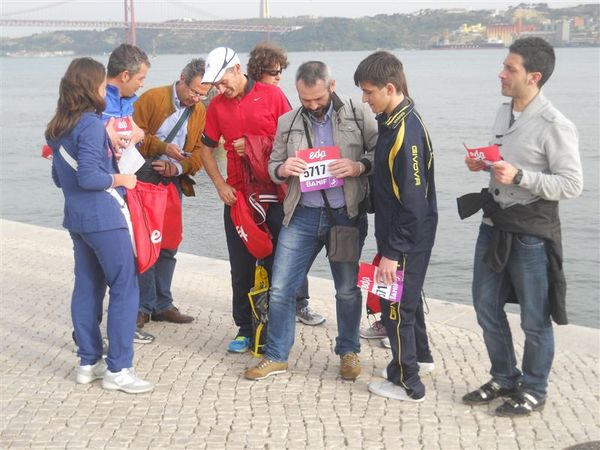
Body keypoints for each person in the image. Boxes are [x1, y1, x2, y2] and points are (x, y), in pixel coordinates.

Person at [460, 37, 583, 417]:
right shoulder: (504, 112)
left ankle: (533, 388)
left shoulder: (556, 125)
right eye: (504, 65)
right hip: (494, 222)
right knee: (484, 306)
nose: (501, 72)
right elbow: (506, 160)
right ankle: (503, 377)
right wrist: (484, 163)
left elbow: (571, 184)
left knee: (534, 317)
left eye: (509, 68)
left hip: (532, 233)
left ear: (534, 76)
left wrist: (521, 176)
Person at [244, 61, 377, 381]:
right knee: (280, 289)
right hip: (301, 214)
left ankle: (349, 352)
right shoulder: (288, 121)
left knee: (346, 290)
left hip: (344, 215)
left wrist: (358, 167)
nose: (313, 106)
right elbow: (273, 164)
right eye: (306, 100)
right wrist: (283, 169)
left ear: (331, 86)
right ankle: (276, 355)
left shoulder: (359, 114)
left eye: (318, 99)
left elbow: (379, 154)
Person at [46, 57, 153, 394]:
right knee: (125, 286)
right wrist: (123, 177)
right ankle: (119, 369)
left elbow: (59, 177)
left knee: (88, 285)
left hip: (76, 218)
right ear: (92, 88)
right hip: (104, 217)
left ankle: (88, 361)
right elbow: (90, 176)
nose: (104, 89)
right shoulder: (91, 124)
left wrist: (109, 152)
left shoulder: (57, 126)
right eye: (100, 84)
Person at [353, 51, 437, 402]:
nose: (365, 99)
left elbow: (414, 202)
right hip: (405, 232)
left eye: (369, 92)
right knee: (410, 297)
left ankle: (407, 382)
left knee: (395, 307)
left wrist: (391, 252)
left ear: (390, 88)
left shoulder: (405, 132)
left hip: (405, 236)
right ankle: (423, 357)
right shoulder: (396, 119)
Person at [199, 47, 293, 353]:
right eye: (214, 85)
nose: (219, 89)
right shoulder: (216, 107)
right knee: (240, 267)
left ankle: (276, 328)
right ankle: (244, 327)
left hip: (274, 193)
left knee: (276, 264)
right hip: (238, 196)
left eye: (222, 82)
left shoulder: (272, 96)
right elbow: (204, 149)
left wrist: (253, 146)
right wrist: (219, 184)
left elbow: (293, 139)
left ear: (237, 69)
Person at [247, 42, 325, 327]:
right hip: (263, 186)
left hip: (278, 184)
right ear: (259, 70)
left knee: (288, 244)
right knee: (281, 245)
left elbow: (294, 135)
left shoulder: (275, 95)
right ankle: (281, 302)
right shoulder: (263, 96)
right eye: (274, 71)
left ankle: (296, 302)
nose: (279, 76)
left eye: (281, 71)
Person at [132, 58, 209, 331]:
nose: (197, 98)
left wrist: (176, 167)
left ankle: (163, 304)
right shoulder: (152, 99)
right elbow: (132, 135)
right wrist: (164, 147)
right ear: (182, 79)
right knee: (144, 245)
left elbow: (199, 152)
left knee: (169, 244)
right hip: (142, 178)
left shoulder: (199, 110)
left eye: (203, 94)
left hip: (171, 181)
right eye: (194, 91)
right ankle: (143, 306)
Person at [103, 43, 155, 345]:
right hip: (107, 193)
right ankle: (112, 338)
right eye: (140, 79)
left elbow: (136, 131)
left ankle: (118, 327)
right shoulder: (98, 103)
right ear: (125, 75)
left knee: (126, 266)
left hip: (125, 190)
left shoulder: (127, 101)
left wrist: (139, 134)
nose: (142, 84)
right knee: (113, 273)